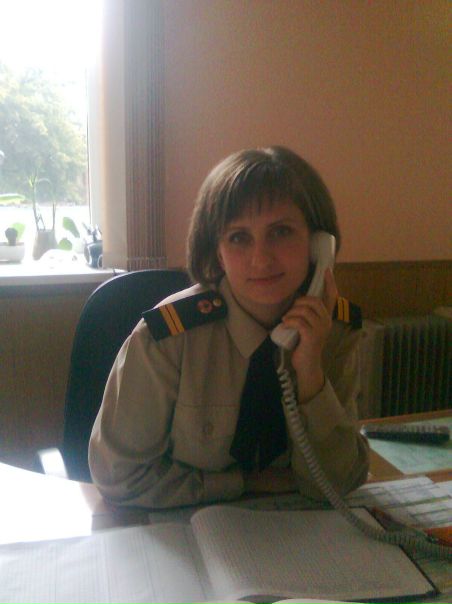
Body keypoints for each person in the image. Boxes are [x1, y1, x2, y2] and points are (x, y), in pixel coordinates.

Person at [88, 146, 369, 509]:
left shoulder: (337, 330)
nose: (261, 259)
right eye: (238, 237)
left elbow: (339, 483)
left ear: (319, 244)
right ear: (217, 251)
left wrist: (310, 371)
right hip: (186, 528)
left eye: (281, 231)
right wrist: (241, 484)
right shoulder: (169, 336)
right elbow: (119, 476)